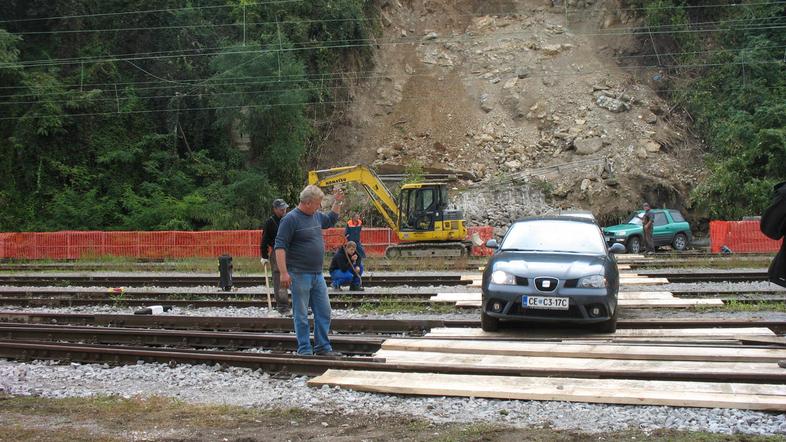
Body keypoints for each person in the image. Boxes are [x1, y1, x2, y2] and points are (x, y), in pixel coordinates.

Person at [274, 185, 344, 356]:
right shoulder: (290, 219)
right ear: (307, 203)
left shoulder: (316, 216)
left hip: (317, 274)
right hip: (299, 274)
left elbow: (330, 220)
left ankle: (322, 347)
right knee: (301, 314)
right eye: (318, 203)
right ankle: (304, 350)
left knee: (324, 311)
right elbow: (280, 246)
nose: (319, 207)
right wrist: (283, 272)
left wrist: (337, 202)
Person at [260, 198, 290, 314]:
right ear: (275, 209)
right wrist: (264, 256)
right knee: (279, 280)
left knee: (296, 277)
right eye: (281, 209)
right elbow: (264, 240)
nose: (284, 211)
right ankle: (283, 307)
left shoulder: (289, 219)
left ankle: (300, 306)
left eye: (285, 208)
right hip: (277, 252)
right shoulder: (270, 222)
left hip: (291, 251)